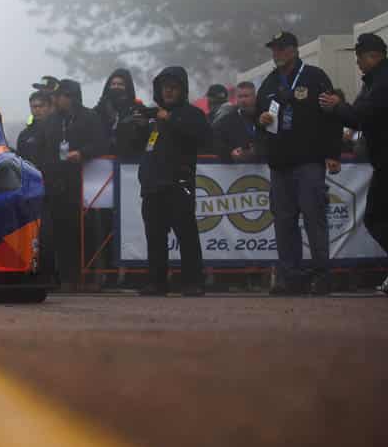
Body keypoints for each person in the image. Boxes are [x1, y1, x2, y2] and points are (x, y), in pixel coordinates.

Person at [320, 33, 388, 294]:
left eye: (360, 58)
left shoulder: (385, 84)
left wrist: (336, 106)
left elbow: (360, 117)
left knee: (375, 217)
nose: (357, 63)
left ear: (373, 56)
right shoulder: (383, 81)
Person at [256, 31, 342, 295]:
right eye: (274, 49)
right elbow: (258, 118)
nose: (277, 53)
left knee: (314, 218)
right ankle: (290, 276)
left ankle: (321, 275)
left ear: (294, 50)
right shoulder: (269, 82)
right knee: (284, 221)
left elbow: (332, 116)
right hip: (280, 164)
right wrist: (260, 121)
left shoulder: (314, 77)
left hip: (309, 161)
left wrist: (333, 153)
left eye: (282, 48)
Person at [120, 67, 209, 296]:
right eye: (164, 87)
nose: (168, 91)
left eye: (173, 87)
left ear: (182, 90)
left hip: (178, 183)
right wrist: (137, 128)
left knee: (186, 235)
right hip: (152, 185)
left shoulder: (191, 114)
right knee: (155, 237)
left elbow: (203, 137)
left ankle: (193, 282)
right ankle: (156, 282)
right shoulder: (153, 119)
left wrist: (169, 118)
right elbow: (133, 147)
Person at [35, 78, 106, 289]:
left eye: (60, 96)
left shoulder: (89, 117)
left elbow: (101, 143)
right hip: (56, 183)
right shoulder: (51, 121)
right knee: (59, 232)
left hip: (84, 184)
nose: (55, 99)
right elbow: (42, 148)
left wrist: (83, 153)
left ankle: (89, 277)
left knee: (86, 232)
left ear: (71, 97)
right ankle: (65, 277)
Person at [213, 82, 262, 164]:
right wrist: (230, 152)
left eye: (246, 96)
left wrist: (257, 151)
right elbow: (216, 143)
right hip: (236, 172)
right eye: (240, 96)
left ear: (255, 97)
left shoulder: (264, 117)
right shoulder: (226, 121)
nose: (243, 100)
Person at [16, 91, 51, 162]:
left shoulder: (58, 130)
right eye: (34, 107)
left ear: (49, 107)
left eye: (41, 106)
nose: (37, 109)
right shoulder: (24, 135)